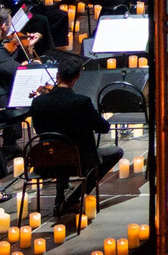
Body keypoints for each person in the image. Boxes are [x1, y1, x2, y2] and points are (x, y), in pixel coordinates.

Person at [28, 57, 119, 224]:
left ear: (57, 76)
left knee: (59, 149)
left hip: (45, 161)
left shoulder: (38, 102)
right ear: (77, 77)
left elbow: (39, 130)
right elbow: (103, 127)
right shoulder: (81, 102)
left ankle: (59, 200)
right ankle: (72, 200)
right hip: (78, 162)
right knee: (116, 151)